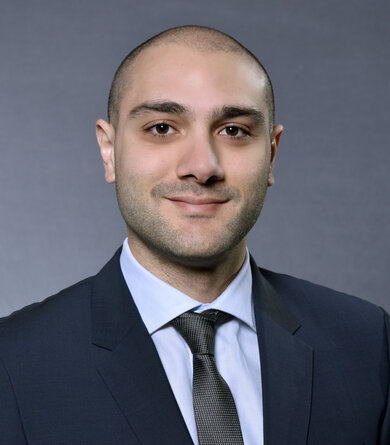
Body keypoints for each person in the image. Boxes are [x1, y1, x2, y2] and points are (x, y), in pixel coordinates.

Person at [0, 25, 388, 445]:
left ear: (271, 155)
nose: (202, 166)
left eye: (234, 130)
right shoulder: (13, 363)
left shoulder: (368, 344)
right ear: (109, 151)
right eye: (163, 128)